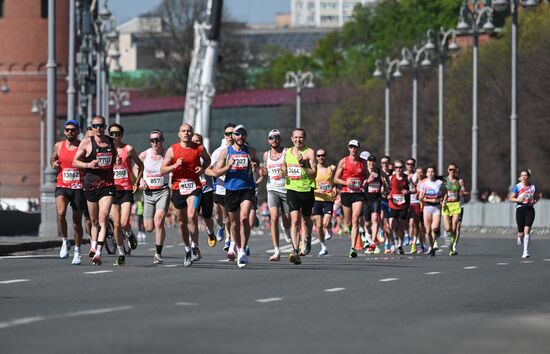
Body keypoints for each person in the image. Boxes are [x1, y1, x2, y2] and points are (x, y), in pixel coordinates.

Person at [161, 123, 210, 267]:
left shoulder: (199, 148)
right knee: (182, 222)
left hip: (194, 186)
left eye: (189, 131)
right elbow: (162, 169)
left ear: (192, 133)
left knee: (191, 215)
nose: (186, 133)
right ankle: (187, 249)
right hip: (177, 188)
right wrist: (174, 166)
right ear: (179, 134)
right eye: (183, 131)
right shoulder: (173, 150)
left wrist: (202, 168)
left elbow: (208, 160)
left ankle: (195, 246)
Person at [212, 124, 260, 268]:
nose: (241, 137)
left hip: (247, 187)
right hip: (231, 189)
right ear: (233, 136)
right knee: (234, 223)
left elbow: (256, 161)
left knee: (244, 218)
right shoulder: (225, 152)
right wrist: (228, 165)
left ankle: (243, 249)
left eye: (243, 134)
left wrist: (255, 164)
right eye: (238, 134)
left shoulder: (250, 150)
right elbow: (216, 172)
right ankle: (239, 249)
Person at [73, 115, 116, 265]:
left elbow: (117, 156)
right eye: (95, 126)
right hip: (91, 185)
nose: (98, 128)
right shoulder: (86, 143)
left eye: (101, 126)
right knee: (94, 221)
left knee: (103, 218)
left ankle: (98, 252)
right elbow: (75, 161)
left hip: (107, 185)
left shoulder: (111, 141)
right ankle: (92, 246)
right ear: (92, 127)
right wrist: (88, 165)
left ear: (105, 126)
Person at [50, 120, 85, 265]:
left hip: (78, 187)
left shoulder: (83, 146)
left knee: (77, 223)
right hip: (62, 184)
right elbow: (53, 160)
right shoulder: (58, 146)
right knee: (60, 213)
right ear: (64, 131)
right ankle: (65, 241)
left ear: (77, 131)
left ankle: (77, 251)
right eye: (67, 130)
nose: (69, 132)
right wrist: (54, 164)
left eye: (72, 130)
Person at [108, 123, 143, 265]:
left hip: (126, 189)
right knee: (116, 225)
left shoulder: (128, 149)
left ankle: (129, 234)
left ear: (121, 135)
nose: (114, 136)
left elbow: (141, 165)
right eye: (112, 133)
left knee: (123, 223)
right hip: (111, 190)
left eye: (117, 133)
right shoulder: (105, 151)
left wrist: (137, 182)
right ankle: (121, 253)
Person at [282, 128, 317, 265]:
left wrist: (303, 165)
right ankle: (295, 251)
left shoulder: (309, 152)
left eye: (301, 137)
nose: (298, 140)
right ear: (292, 139)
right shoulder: (287, 152)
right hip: (292, 188)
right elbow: (285, 167)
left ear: (305, 138)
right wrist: (284, 172)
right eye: (295, 137)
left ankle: (307, 238)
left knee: (306, 219)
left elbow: (314, 173)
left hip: (307, 189)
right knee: (295, 220)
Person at [137, 129, 170, 264]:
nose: (155, 143)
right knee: (149, 228)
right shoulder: (145, 155)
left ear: (162, 140)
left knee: (159, 221)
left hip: (163, 191)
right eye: (152, 140)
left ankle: (158, 253)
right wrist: (140, 180)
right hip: (148, 193)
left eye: (157, 140)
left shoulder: (168, 154)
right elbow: (136, 168)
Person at [334, 140, 368, 258]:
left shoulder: (363, 163)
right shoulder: (343, 162)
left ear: (358, 148)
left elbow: (367, 177)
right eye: (351, 147)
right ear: (348, 148)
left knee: (356, 218)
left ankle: (353, 247)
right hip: (346, 193)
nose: (353, 149)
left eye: (355, 147)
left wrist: (364, 182)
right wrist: (346, 183)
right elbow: (336, 179)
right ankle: (350, 230)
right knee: (348, 222)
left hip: (358, 193)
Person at [261, 129, 291, 261]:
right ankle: (277, 251)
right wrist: (261, 171)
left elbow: (290, 167)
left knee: (287, 218)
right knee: (273, 218)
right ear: (268, 140)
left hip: (286, 189)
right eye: (271, 138)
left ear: (280, 139)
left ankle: (285, 228)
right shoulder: (266, 155)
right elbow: (265, 171)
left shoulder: (287, 152)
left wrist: (284, 172)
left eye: (276, 137)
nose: (274, 140)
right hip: (272, 189)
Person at [210, 123, 235, 251]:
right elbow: (208, 169)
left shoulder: (242, 150)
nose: (230, 136)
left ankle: (228, 239)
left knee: (228, 216)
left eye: (232, 133)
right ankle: (220, 227)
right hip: (218, 187)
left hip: (232, 188)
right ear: (224, 135)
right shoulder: (218, 152)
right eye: (227, 134)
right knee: (219, 216)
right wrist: (216, 172)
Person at [191, 133, 217, 247]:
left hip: (206, 189)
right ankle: (194, 243)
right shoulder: (188, 154)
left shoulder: (205, 155)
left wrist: (203, 169)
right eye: (194, 141)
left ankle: (211, 233)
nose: (197, 143)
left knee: (207, 217)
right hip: (194, 190)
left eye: (198, 141)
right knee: (192, 215)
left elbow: (210, 166)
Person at [509, 169, 539, 259]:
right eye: (522, 175)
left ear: (528, 177)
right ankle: (519, 236)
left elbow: (537, 197)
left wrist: (534, 201)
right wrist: (518, 199)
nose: (523, 177)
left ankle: (525, 252)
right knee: (521, 233)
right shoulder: (517, 186)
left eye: (525, 175)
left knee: (527, 230)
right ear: (520, 177)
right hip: (520, 209)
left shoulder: (533, 187)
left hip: (530, 209)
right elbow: (511, 198)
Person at [312, 148, 336, 256]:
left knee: (326, 223)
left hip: (328, 199)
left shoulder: (331, 168)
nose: (321, 157)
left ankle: (329, 228)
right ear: (316, 157)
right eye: (319, 155)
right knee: (318, 225)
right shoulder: (313, 169)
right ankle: (323, 246)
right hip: (316, 199)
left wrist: (335, 186)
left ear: (325, 156)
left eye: (323, 155)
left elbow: (337, 179)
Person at [418, 166, 445, 257]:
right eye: (428, 171)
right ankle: (431, 247)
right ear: (426, 173)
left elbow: (445, 193)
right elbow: (420, 197)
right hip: (427, 207)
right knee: (428, 230)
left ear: (435, 173)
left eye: (432, 171)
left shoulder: (439, 183)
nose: (430, 173)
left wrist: (442, 200)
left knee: (434, 228)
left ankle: (434, 240)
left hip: (436, 207)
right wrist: (423, 196)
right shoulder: (424, 184)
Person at [442, 163, 468, 256]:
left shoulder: (459, 181)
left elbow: (463, 191)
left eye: (453, 170)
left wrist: (463, 192)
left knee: (455, 227)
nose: (452, 171)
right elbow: (441, 192)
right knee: (448, 228)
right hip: (447, 205)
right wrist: (442, 201)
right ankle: (450, 239)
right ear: (447, 170)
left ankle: (452, 247)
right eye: (450, 169)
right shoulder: (444, 180)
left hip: (457, 205)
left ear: (456, 171)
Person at [387, 160, 410, 255]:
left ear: (403, 168)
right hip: (393, 204)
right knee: (392, 225)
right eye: (396, 167)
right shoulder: (390, 177)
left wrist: (408, 192)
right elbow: (385, 189)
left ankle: (400, 244)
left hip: (403, 205)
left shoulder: (407, 178)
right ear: (394, 168)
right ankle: (395, 241)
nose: (398, 169)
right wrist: (387, 195)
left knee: (401, 225)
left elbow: (414, 188)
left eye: (400, 167)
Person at [363, 155, 384, 254]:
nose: (371, 163)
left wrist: (386, 188)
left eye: (373, 161)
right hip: (366, 199)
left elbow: (386, 180)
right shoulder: (364, 171)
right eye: (369, 161)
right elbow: (360, 185)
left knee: (375, 219)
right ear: (367, 162)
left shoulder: (379, 172)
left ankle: (373, 241)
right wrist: (367, 181)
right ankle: (367, 235)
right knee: (367, 223)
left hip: (376, 199)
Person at [405, 158, 421, 254]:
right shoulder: (402, 174)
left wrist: (411, 183)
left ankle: (414, 242)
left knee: (414, 223)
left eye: (412, 164)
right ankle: (407, 236)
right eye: (408, 164)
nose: (410, 166)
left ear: (414, 165)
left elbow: (418, 189)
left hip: (415, 201)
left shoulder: (417, 175)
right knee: (404, 222)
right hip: (404, 201)